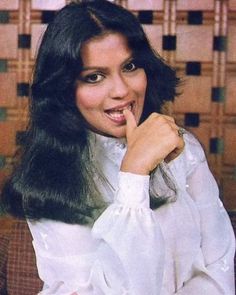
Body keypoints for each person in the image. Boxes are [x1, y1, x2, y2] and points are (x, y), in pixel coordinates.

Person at [1, 0, 235, 294]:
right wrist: (134, 173)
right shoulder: (49, 174)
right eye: (94, 77)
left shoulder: (182, 148)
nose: (122, 91)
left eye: (130, 66)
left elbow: (219, 268)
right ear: (64, 89)